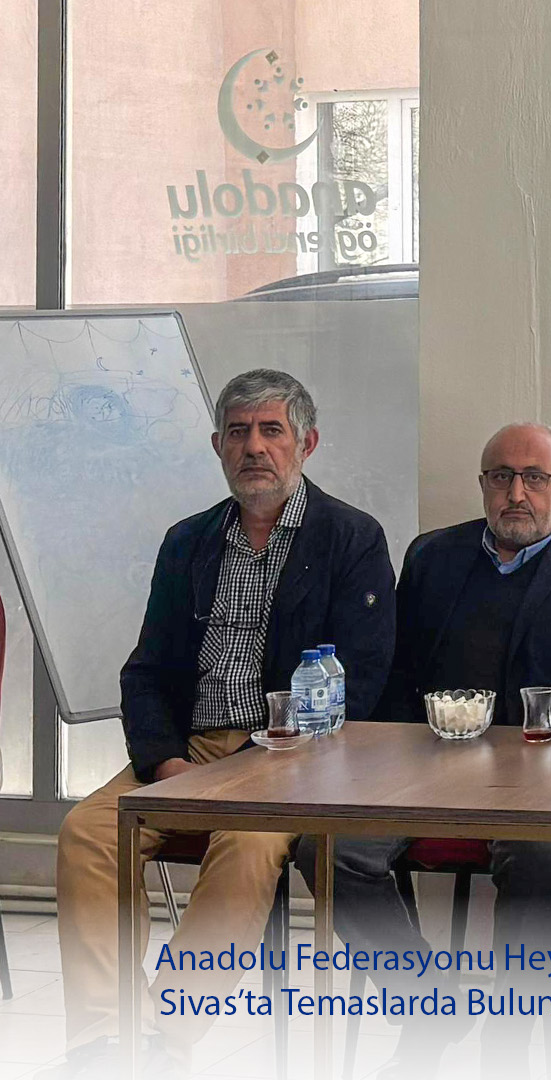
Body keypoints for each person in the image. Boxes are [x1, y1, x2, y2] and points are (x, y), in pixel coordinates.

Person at [52, 370, 396, 1076]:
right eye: (238, 433)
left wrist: (269, 760)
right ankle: (106, 1042)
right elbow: (146, 671)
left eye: (272, 431)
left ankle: (163, 1039)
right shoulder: (188, 541)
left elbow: (361, 677)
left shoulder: (350, 538)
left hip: (287, 757)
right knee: (88, 831)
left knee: (248, 840)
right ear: (217, 446)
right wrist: (167, 765)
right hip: (190, 749)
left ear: (306, 444)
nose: (254, 448)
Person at [295, 421, 551, 1075]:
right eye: (501, 477)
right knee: (328, 848)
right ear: (483, 484)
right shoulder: (433, 556)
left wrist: (528, 756)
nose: (516, 493)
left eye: (535, 478)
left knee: (536, 854)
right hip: (427, 768)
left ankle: (508, 1039)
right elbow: (397, 674)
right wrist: (393, 759)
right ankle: (426, 1001)